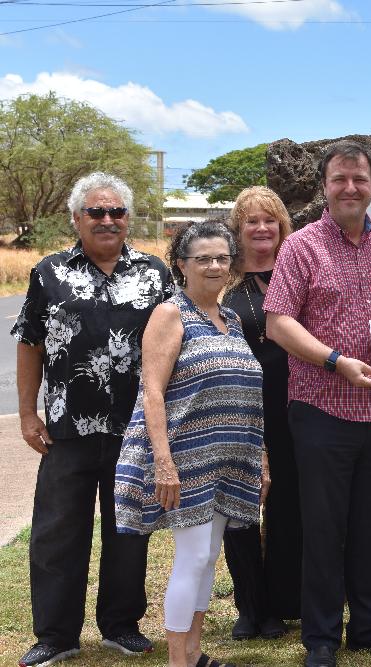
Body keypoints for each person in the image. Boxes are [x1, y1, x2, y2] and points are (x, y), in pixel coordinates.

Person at [264, 140, 371, 667]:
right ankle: (322, 639)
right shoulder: (302, 247)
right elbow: (279, 322)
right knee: (324, 527)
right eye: (340, 179)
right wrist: (336, 361)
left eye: (360, 179)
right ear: (325, 186)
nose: (350, 187)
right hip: (322, 409)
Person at [11, 172, 173, 667]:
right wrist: (25, 413)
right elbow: (29, 342)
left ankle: (121, 626)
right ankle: (56, 635)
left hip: (134, 430)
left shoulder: (155, 273)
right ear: (77, 218)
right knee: (58, 533)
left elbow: (172, 345)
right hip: (66, 429)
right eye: (96, 212)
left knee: (128, 531)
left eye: (116, 212)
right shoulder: (48, 272)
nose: (107, 220)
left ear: (128, 218)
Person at [114, 220, 265, 667]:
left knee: (208, 556)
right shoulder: (170, 314)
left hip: (229, 460)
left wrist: (262, 460)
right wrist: (163, 461)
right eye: (204, 259)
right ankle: (178, 661)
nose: (216, 266)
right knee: (194, 555)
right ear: (181, 265)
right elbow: (153, 391)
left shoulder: (232, 318)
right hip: (185, 459)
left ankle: (195, 654)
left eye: (222, 257)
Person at [221, 186, 301, 641]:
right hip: (240, 408)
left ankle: (283, 602)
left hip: (293, 405)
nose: (262, 228)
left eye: (270, 219)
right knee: (241, 508)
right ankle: (250, 607)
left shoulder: (295, 272)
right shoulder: (223, 280)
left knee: (290, 505)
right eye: (252, 220)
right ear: (239, 227)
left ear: (281, 225)